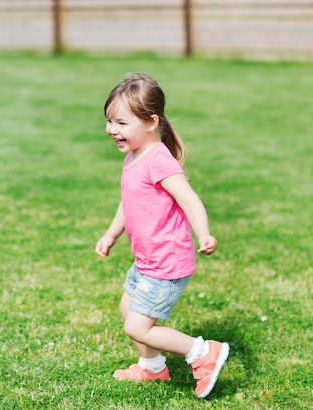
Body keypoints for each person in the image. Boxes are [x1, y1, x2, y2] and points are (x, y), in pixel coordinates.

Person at [95, 73, 229, 399]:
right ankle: (152, 368)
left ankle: (202, 353)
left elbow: (189, 199)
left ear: (151, 121)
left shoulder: (158, 160)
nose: (113, 130)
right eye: (110, 121)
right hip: (147, 259)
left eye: (122, 122)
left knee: (137, 326)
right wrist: (111, 234)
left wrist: (204, 233)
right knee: (128, 309)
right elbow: (129, 203)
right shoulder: (134, 156)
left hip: (166, 261)